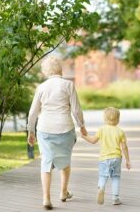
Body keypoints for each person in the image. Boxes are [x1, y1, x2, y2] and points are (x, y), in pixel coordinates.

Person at [27, 57, 87, 210]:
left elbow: (33, 112)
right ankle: (63, 192)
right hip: (65, 128)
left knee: (46, 163)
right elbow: (76, 109)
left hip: (45, 129)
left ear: (46, 72)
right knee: (65, 162)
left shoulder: (41, 87)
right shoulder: (68, 85)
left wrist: (30, 131)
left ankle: (46, 198)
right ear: (61, 69)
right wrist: (82, 126)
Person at [81, 107, 131, 205]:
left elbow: (93, 141)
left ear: (105, 119)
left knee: (103, 176)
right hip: (117, 158)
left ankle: (101, 188)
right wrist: (127, 160)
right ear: (118, 120)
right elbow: (124, 147)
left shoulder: (101, 129)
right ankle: (115, 198)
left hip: (104, 158)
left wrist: (84, 137)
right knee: (116, 177)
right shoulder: (120, 132)